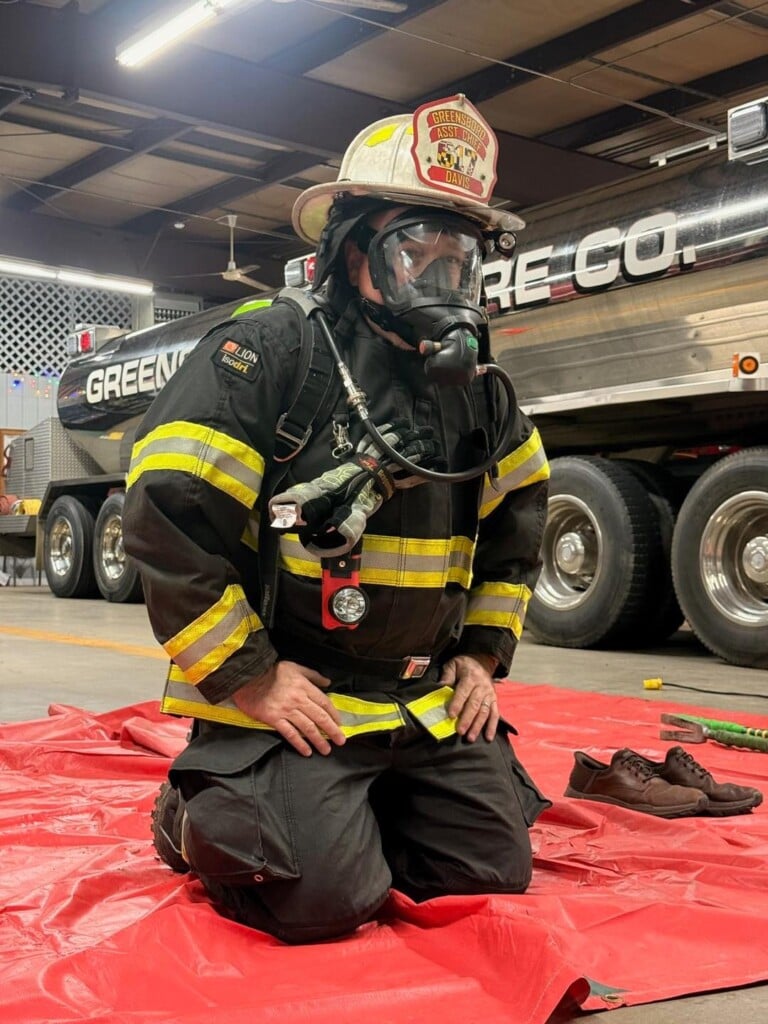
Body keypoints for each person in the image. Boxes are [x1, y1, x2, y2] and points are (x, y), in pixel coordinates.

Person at [123, 94, 552, 945]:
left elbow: (520, 518)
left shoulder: (474, 384)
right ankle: (189, 811)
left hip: (419, 700)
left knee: (490, 874)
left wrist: (480, 653)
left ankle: (355, 809)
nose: (438, 278)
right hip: (300, 697)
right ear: (352, 248)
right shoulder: (273, 353)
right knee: (319, 902)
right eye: (412, 252)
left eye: (457, 256)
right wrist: (250, 675)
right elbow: (167, 514)